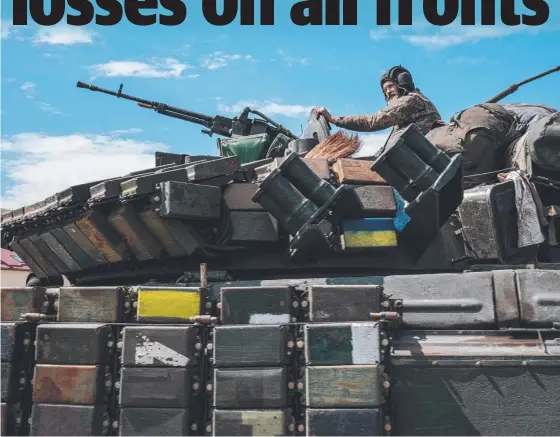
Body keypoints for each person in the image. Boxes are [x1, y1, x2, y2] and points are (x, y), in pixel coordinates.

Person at [313, 65, 442, 140]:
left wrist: (335, 119)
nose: (388, 91)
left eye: (391, 86)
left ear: (403, 83)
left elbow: (375, 121)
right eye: (385, 89)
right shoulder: (412, 102)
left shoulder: (411, 100)